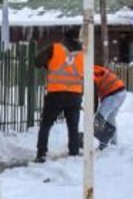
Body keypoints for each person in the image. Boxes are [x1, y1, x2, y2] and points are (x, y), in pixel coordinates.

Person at [34, 30, 84, 163]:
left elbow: (37, 62)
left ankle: (41, 154)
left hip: (56, 94)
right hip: (75, 94)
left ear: (64, 38)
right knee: (73, 126)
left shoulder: (54, 48)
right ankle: (73, 152)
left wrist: (49, 64)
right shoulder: (83, 54)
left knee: (46, 125)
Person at [93, 64, 126, 149]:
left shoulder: (90, 73)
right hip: (121, 91)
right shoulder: (94, 68)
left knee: (99, 118)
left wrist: (93, 110)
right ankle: (114, 143)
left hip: (113, 93)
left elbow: (93, 93)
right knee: (111, 118)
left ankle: (102, 143)